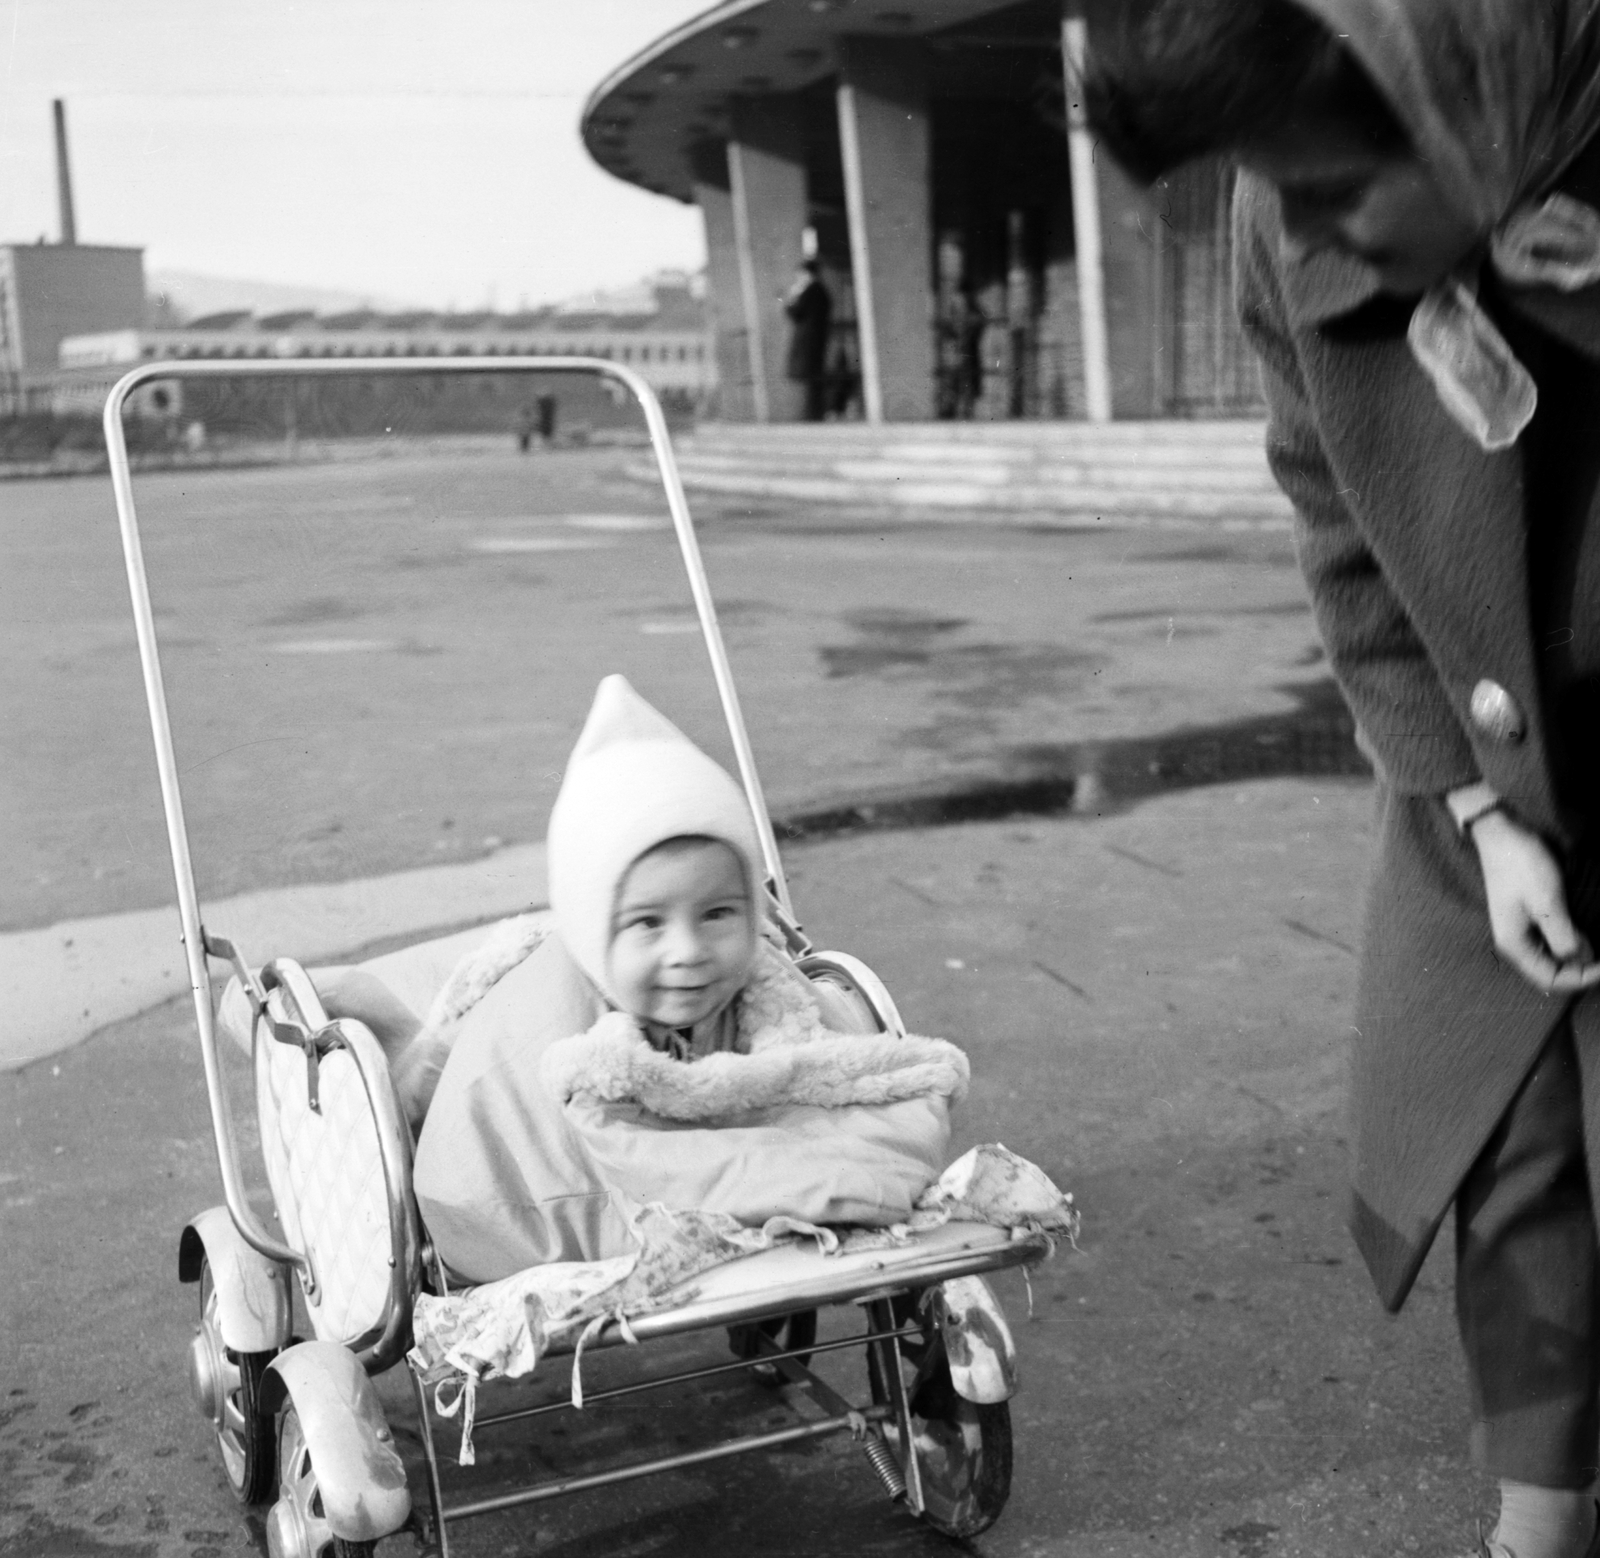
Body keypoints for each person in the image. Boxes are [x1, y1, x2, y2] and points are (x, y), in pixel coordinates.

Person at [1085, 3, 1600, 1555]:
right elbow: (1335, 523)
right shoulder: (1279, 215)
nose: (1299, 226)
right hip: (1488, 765)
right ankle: (1542, 1518)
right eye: (1270, 183)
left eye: (1332, 183)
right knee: (1504, 1136)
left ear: (1468, 93)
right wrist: (1474, 804)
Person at [408, 674, 966, 1283]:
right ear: (594, 931)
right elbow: (485, 1180)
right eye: (648, 922)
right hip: (526, 1209)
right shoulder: (541, 1033)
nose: (689, 951)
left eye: (719, 913)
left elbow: (843, 1074)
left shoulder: (768, 985)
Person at [783, 259, 833, 421]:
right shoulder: (820, 290)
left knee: (811, 379)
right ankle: (814, 414)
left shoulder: (811, 290)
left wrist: (792, 297)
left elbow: (795, 312)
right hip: (815, 339)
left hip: (809, 340)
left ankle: (812, 415)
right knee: (813, 378)